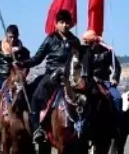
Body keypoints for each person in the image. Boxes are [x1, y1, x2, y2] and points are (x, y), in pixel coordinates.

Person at [18, 9, 81, 143]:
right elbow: (37, 58)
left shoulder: (75, 41)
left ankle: (84, 129)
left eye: (67, 22)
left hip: (70, 78)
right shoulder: (50, 39)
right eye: (61, 22)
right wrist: (22, 63)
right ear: (56, 23)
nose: (65, 25)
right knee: (35, 98)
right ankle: (37, 129)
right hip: (51, 75)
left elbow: (80, 60)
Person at [80, 29, 122, 109]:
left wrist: (115, 78)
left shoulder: (107, 52)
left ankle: (118, 120)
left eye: (90, 43)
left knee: (117, 98)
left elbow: (116, 66)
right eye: (87, 43)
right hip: (89, 82)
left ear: (96, 41)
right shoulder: (83, 52)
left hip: (104, 81)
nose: (88, 45)